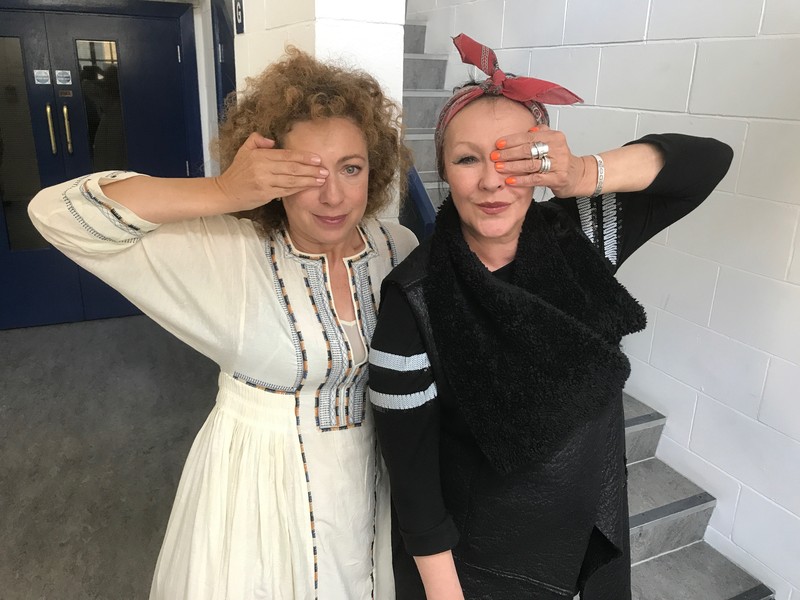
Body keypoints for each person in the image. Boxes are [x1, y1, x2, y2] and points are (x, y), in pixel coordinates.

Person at [28, 48, 416, 600]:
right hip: (260, 490)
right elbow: (56, 214)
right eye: (305, 172)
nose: (333, 195)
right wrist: (221, 193)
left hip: (371, 476)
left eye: (351, 168)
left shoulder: (394, 248)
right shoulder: (230, 255)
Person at [368, 34, 733, 600]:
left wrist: (585, 172)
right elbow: (413, 484)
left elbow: (709, 161)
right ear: (443, 168)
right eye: (467, 159)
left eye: (512, 157)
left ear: (541, 162)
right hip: (482, 566)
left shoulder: (580, 237)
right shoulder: (414, 297)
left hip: (592, 535)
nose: (491, 182)